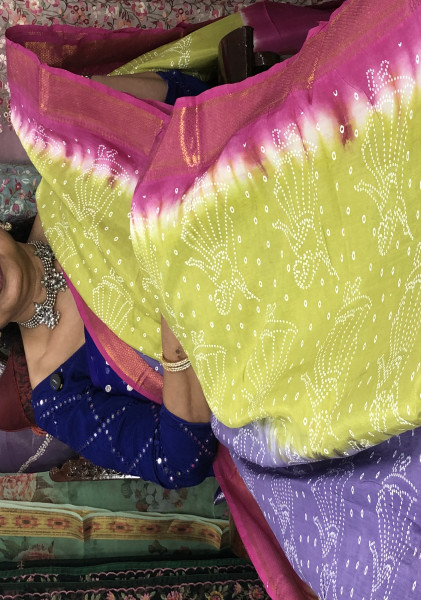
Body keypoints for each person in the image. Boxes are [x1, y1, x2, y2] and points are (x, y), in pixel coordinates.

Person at [0, 1, 336, 487]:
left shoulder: (66, 180)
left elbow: (190, 104)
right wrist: (177, 322)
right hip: (277, 340)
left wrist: (100, 104)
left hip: (272, 189)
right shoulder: (58, 395)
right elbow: (178, 461)